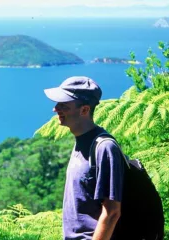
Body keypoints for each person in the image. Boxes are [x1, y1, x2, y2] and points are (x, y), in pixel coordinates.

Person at [43, 76, 124, 240]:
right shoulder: (81, 141)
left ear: (84, 110)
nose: (55, 109)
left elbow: (112, 212)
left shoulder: (104, 148)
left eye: (63, 105)